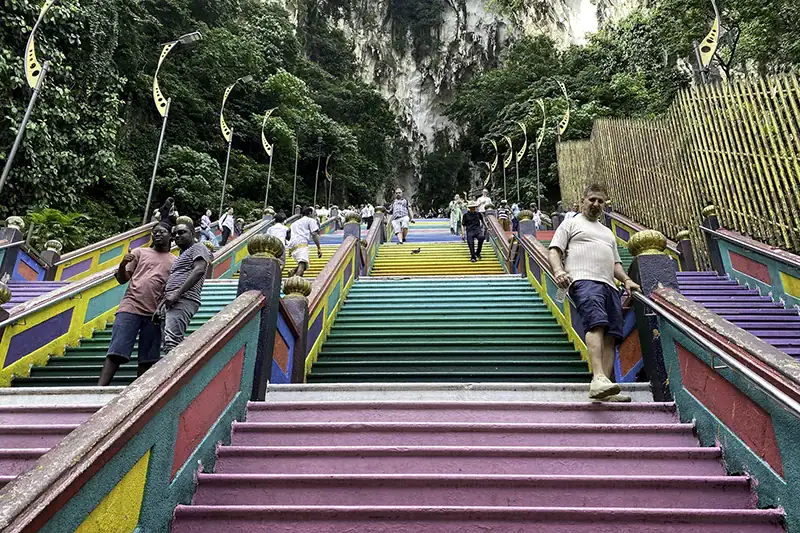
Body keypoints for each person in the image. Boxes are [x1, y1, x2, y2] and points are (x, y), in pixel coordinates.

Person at [548, 183, 641, 402]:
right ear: (582, 200)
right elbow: (554, 251)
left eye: (600, 201)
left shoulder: (608, 232)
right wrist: (559, 271)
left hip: (610, 285)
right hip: (583, 280)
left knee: (612, 335)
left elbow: (616, 264)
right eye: (592, 200)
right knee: (596, 323)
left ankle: (605, 386)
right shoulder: (570, 224)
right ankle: (597, 377)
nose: (596, 204)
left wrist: (627, 280)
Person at [97, 225, 175, 386]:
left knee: (148, 358)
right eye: (155, 232)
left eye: (162, 232)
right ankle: (98, 389)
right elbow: (121, 279)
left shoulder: (175, 261)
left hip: (155, 313)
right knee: (116, 351)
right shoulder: (139, 252)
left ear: (171, 236)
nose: (158, 234)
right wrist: (122, 263)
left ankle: (139, 392)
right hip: (130, 307)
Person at [157, 221, 213, 355]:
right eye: (175, 234)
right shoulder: (182, 256)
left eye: (182, 232)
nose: (177, 236)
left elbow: (199, 270)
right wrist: (161, 306)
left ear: (193, 234)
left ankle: (171, 374)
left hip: (184, 298)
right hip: (172, 300)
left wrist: (177, 294)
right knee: (168, 342)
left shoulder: (198, 247)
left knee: (172, 342)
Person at [287, 206, 323, 277]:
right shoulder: (310, 220)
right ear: (309, 213)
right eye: (314, 213)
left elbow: (288, 235)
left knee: (305, 264)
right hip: (302, 244)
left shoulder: (294, 223)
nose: (315, 215)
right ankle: (296, 283)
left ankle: (293, 271)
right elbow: (314, 234)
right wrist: (319, 248)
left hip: (293, 246)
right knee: (303, 265)